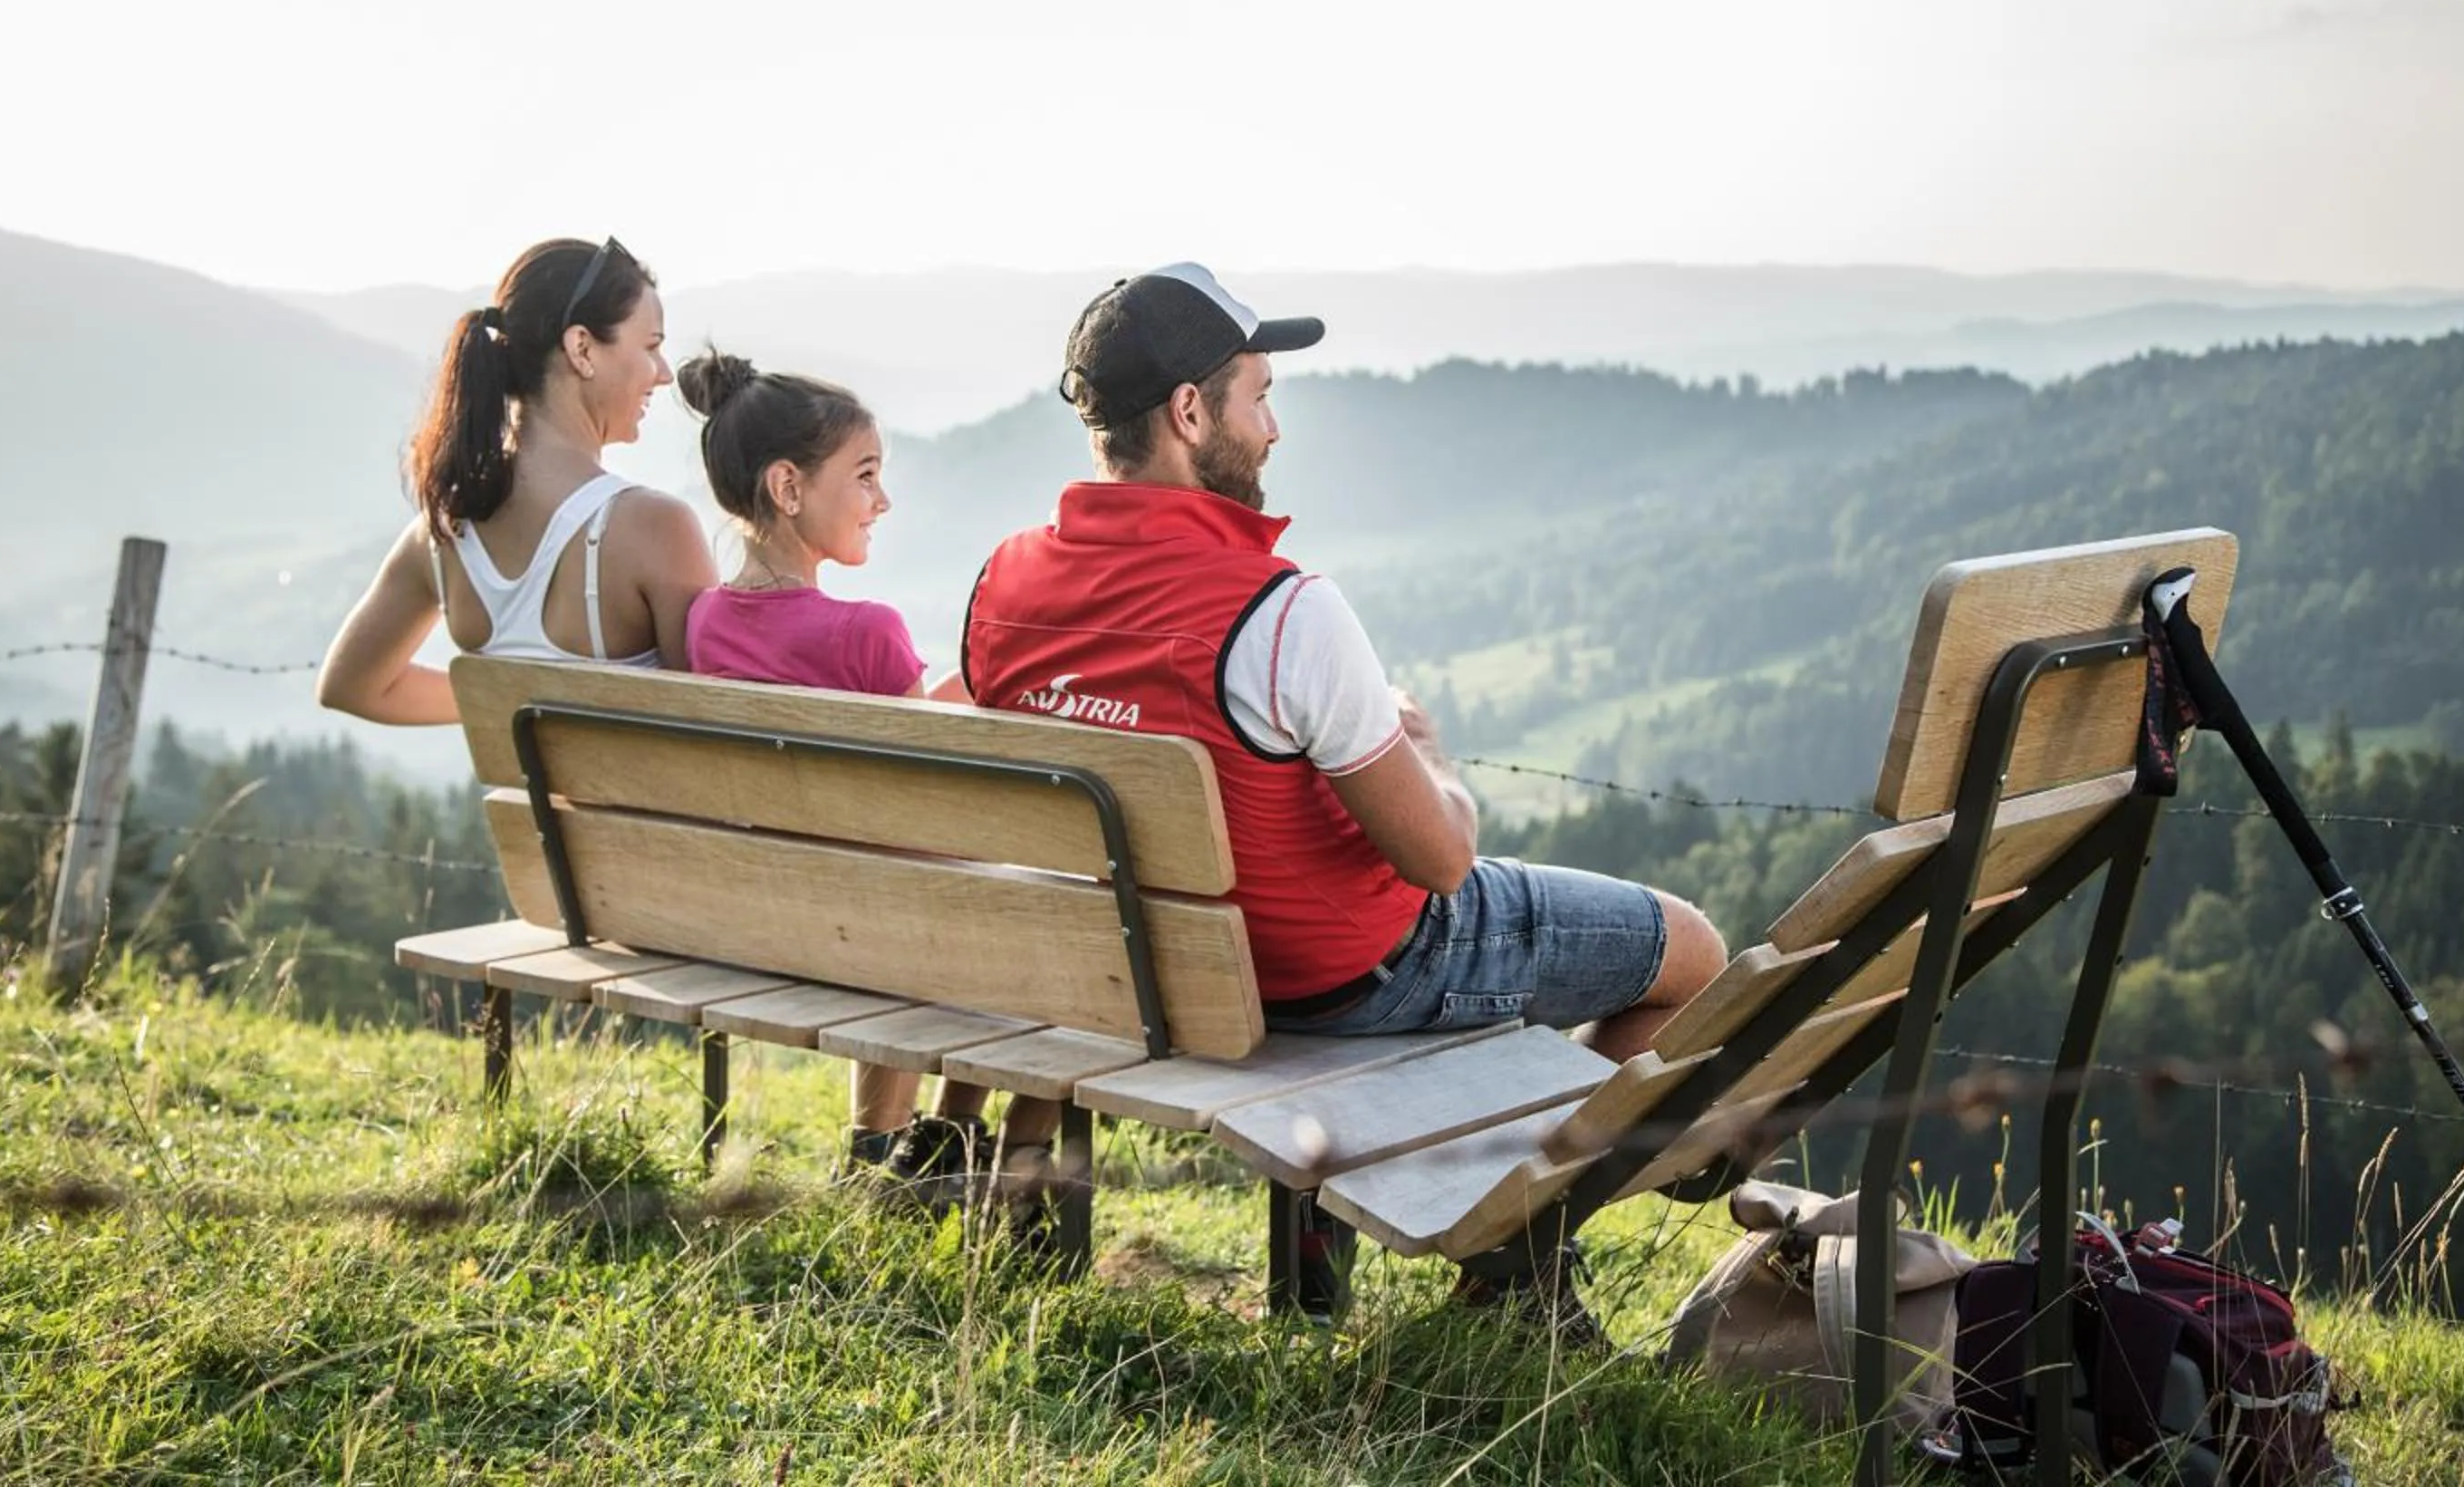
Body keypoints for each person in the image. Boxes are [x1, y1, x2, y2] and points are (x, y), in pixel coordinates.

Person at [960, 262, 1728, 1316]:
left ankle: (1488, 1236)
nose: (1272, 428)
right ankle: (1515, 1254)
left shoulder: (1001, 583)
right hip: (1351, 976)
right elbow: (1442, 862)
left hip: (1143, 964)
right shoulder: (1281, 610)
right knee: (1694, 953)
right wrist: (1439, 763)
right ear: (1191, 411)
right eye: (1258, 395)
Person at [674, 348, 1061, 1212]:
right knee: (967, 895)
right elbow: (931, 795)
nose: (881, 501)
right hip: (876, 924)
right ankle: (938, 1150)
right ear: (787, 487)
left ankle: (875, 1157)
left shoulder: (704, 621)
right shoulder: (867, 633)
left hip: (766, 916)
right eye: (866, 476)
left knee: (884, 889)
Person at [317, 237, 716, 723]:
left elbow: (351, 686)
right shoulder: (656, 528)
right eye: (651, 347)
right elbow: (715, 731)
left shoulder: (444, 532)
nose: (664, 374)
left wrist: (515, 702)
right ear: (582, 348)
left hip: (528, 803)